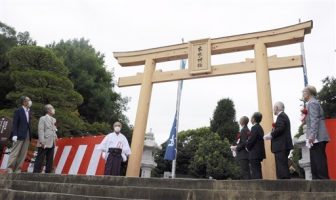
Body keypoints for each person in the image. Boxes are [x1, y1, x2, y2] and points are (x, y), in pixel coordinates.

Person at [302, 85, 330, 179]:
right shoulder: (312, 102)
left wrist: (312, 135)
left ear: (308, 93)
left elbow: (314, 120)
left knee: (318, 160)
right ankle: (318, 180)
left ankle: (323, 182)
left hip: (317, 136)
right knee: (315, 160)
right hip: (317, 136)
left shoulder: (312, 103)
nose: (303, 94)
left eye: (303, 92)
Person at [264, 102, 293, 179]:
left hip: (281, 145)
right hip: (283, 145)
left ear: (276, 108)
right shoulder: (283, 116)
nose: (273, 109)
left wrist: (271, 135)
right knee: (282, 165)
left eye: (274, 108)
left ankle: (284, 185)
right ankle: (285, 184)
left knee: (282, 167)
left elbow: (280, 128)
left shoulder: (281, 116)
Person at [7, 96, 32, 173]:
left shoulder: (29, 111)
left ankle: (18, 169)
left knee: (23, 153)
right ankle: (10, 168)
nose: (30, 102)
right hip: (19, 134)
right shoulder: (18, 111)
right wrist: (14, 134)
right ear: (24, 102)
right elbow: (15, 124)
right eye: (28, 100)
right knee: (15, 152)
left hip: (27, 134)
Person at [33, 104, 58, 173]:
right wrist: (42, 141)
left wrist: (55, 137)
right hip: (44, 140)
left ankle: (48, 172)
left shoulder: (54, 119)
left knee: (50, 158)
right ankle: (36, 172)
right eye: (52, 108)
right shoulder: (43, 118)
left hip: (52, 141)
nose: (53, 110)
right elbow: (40, 130)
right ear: (48, 110)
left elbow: (54, 129)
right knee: (40, 157)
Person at [246, 112, 266, 179]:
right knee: (257, 170)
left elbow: (252, 140)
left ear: (254, 119)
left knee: (255, 171)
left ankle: (258, 187)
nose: (250, 119)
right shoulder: (260, 127)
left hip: (254, 153)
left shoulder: (254, 128)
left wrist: (247, 147)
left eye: (251, 118)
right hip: (259, 153)